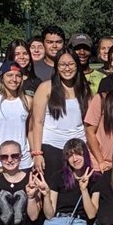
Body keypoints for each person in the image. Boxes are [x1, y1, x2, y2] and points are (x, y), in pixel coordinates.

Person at [39, 138, 100, 225]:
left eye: (78, 153)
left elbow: (91, 214)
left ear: (85, 154)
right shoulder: (57, 177)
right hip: (55, 222)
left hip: (78, 224)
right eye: (70, 155)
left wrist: (84, 190)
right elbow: (49, 214)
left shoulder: (96, 179)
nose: (75, 158)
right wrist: (46, 196)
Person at [30, 48, 91, 183]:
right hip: (52, 148)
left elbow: (87, 123)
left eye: (71, 64)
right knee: (51, 190)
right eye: (62, 65)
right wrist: (37, 153)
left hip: (78, 148)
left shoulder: (84, 88)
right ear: (57, 67)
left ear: (77, 65)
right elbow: (37, 123)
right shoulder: (46, 87)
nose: (67, 68)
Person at [0, 61, 34, 178]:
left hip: (22, 161)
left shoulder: (28, 101)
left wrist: (34, 154)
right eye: (9, 75)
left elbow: (30, 131)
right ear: (1, 78)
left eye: (18, 76)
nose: (14, 79)